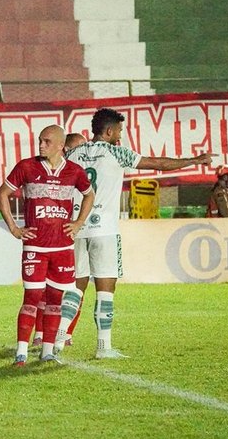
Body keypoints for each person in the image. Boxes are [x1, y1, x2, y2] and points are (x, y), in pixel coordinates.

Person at [66, 108, 214, 359]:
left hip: (77, 228)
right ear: (110, 131)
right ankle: (104, 347)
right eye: (119, 131)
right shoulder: (116, 152)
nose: (120, 136)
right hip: (105, 231)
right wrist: (195, 160)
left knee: (75, 288)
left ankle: (56, 343)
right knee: (105, 289)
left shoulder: (73, 154)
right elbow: (158, 164)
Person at [0, 125, 94, 366]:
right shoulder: (26, 167)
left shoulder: (74, 171)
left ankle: (48, 351)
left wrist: (79, 222)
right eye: (40, 140)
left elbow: (90, 194)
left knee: (54, 299)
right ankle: (20, 351)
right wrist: (14, 228)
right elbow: (2, 194)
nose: (41, 145)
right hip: (35, 247)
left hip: (62, 249)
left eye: (47, 141)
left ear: (61, 146)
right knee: (31, 297)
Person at [33, 131, 87, 348]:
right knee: (46, 288)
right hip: (57, 236)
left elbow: (89, 194)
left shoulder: (76, 170)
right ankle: (41, 333)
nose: (83, 151)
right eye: (78, 148)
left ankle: (65, 333)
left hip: (76, 232)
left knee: (73, 286)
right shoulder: (53, 168)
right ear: (65, 148)